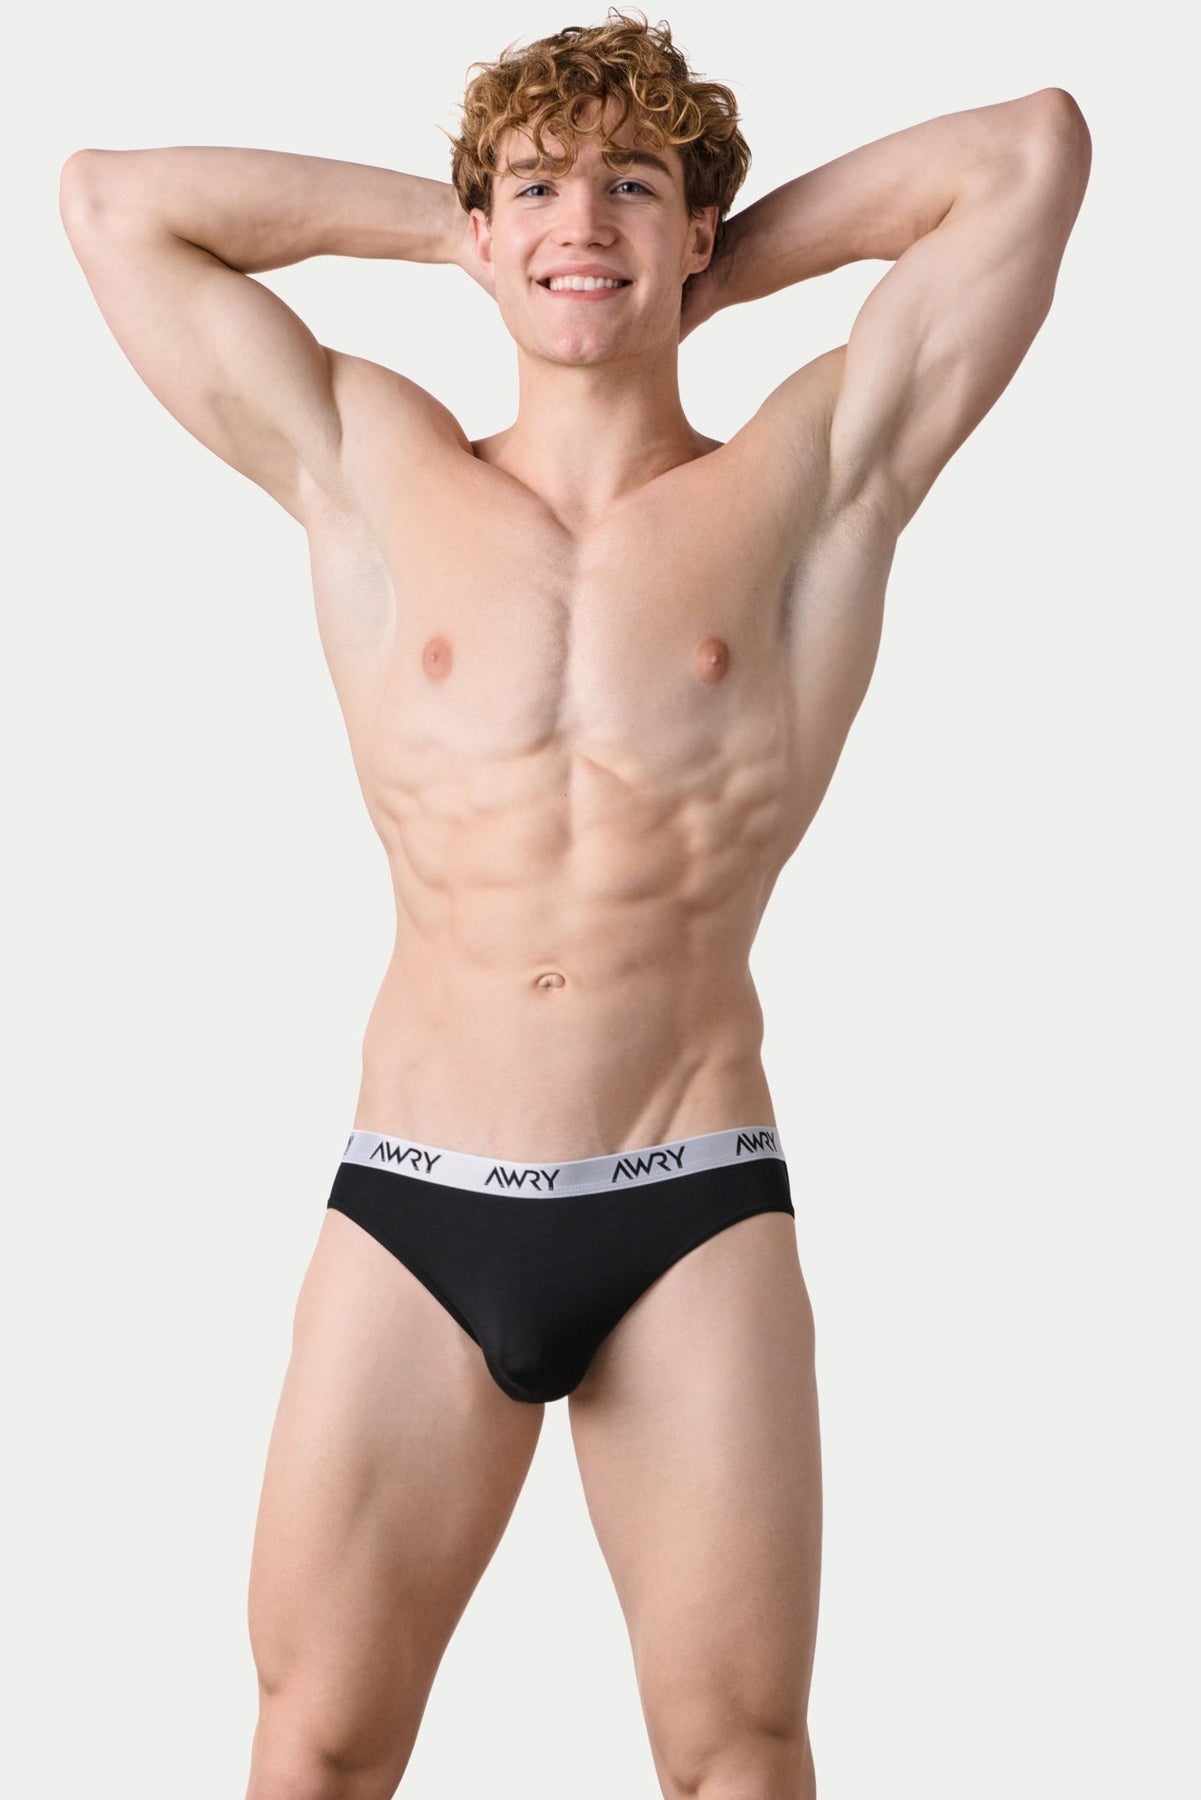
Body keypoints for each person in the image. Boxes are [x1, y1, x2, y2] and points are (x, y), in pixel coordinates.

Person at [59, 10, 1090, 1797]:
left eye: (630, 188)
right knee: (313, 1747)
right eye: (536, 189)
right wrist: (474, 237)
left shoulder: (807, 472)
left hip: (684, 1196)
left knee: (735, 1756)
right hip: (414, 1199)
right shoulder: (372, 461)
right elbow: (108, 203)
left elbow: (1031, 149)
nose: (581, 222)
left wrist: (674, 269)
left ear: (697, 226)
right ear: (482, 226)